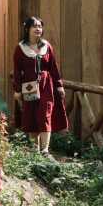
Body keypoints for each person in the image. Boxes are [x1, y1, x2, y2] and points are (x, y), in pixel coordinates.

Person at [12, 16, 68, 157]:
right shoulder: (20, 48)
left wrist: (59, 86)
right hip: (29, 85)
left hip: (46, 85)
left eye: (40, 26)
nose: (38, 29)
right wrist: (17, 90)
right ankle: (34, 150)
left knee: (45, 113)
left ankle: (45, 150)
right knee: (31, 114)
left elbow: (53, 68)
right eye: (34, 26)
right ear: (27, 29)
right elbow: (17, 71)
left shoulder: (46, 46)